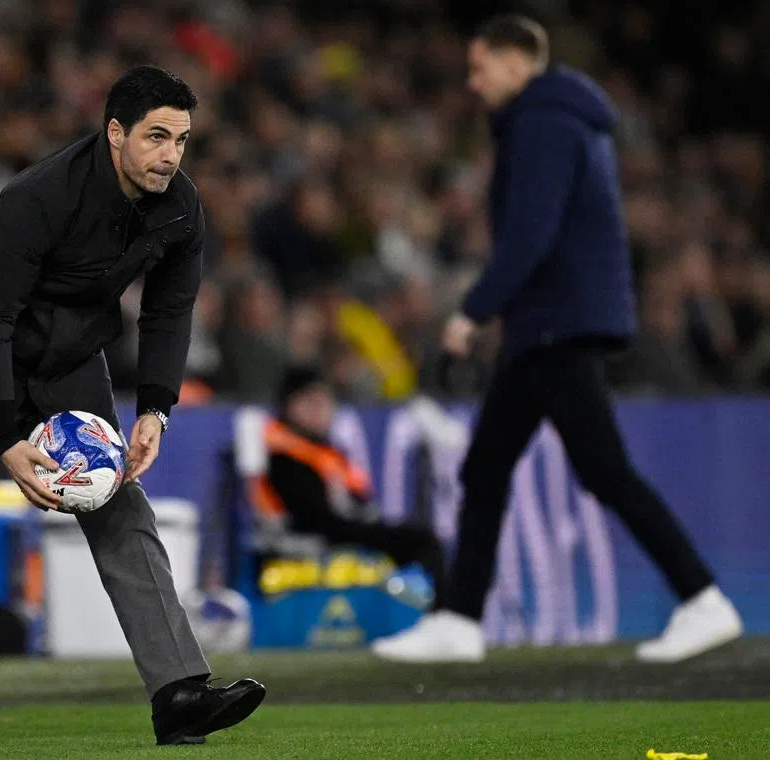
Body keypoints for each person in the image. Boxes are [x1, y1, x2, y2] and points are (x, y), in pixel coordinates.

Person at [0, 65, 265, 746]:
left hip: (67, 366)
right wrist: (8, 439)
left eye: (182, 140)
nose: (170, 155)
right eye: (157, 137)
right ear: (116, 132)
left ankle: (179, 693)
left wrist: (155, 410)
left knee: (122, 509)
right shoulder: (38, 198)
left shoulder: (180, 207)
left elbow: (170, 311)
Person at [371, 15, 743, 664]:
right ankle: (460, 621)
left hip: (556, 320)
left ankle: (702, 597)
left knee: (601, 468)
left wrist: (475, 310)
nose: (472, 80)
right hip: (550, 320)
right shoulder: (561, 119)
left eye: (480, 66)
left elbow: (531, 234)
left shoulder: (543, 121)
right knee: (486, 466)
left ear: (518, 62)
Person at [255, 365, 446, 602]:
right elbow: (316, 518)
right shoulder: (284, 457)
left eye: (325, 403)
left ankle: (425, 608)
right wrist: (370, 529)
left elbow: (356, 500)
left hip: (338, 532)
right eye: (311, 403)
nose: (320, 411)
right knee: (420, 542)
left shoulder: (325, 452)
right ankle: (436, 610)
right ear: (290, 406)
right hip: (305, 543)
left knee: (418, 538)